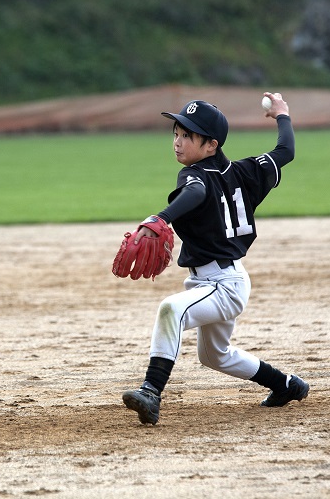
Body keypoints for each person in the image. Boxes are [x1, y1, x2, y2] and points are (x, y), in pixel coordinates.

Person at [121, 93, 309, 425]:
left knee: (171, 310)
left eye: (187, 136)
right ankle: (287, 385)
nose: (177, 142)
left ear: (211, 145)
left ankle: (151, 391)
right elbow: (286, 151)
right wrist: (283, 115)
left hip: (222, 285)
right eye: (176, 133)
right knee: (214, 355)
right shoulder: (247, 172)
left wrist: (159, 219)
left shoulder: (196, 175)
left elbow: (195, 192)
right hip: (224, 280)